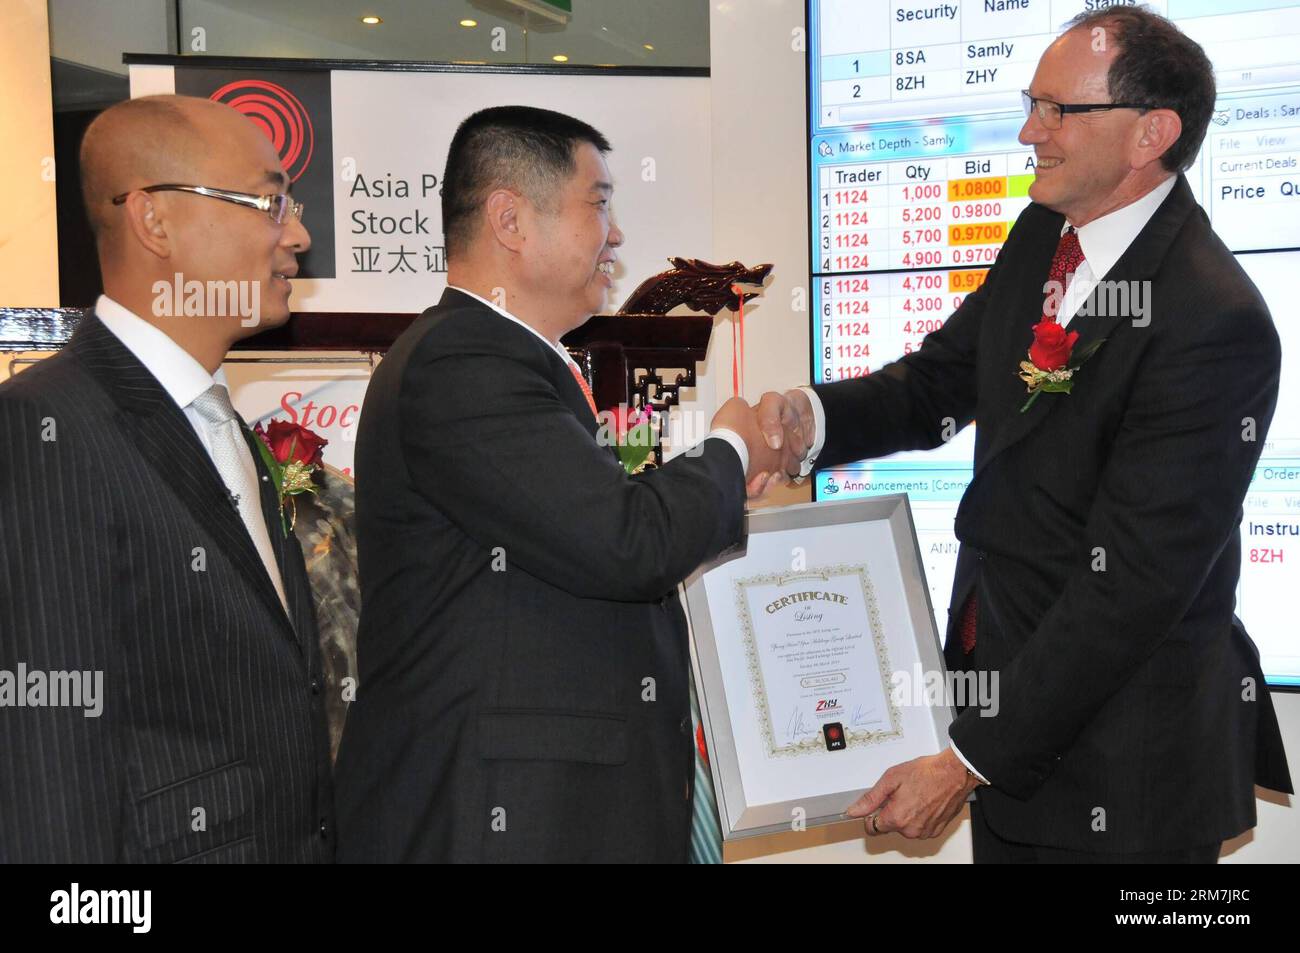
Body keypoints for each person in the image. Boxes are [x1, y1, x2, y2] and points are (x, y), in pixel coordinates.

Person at [758, 7, 1291, 862]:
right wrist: (804, 424)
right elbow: (940, 380)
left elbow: (1131, 590)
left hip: (1125, 778)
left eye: (1057, 111)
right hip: (1011, 737)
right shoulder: (1043, 234)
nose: (1027, 131)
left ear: (1152, 131)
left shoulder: (1211, 319)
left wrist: (966, 761)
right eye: (1030, 102)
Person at [333, 106, 782, 863]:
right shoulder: (463, 362)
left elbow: (585, 539)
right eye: (599, 203)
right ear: (510, 219)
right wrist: (731, 445)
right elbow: (625, 540)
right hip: (497, 819)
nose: (616, 234)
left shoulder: (508, 359)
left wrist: (715, 487)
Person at [0, 95, 333, 862]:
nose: (300, 235)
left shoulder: (223, 425)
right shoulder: (46, 431)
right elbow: (47, 765)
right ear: (155, 221)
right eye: (270, 202)